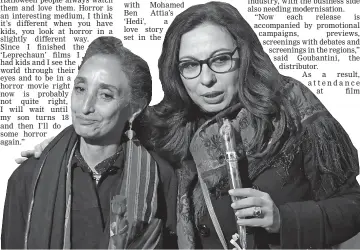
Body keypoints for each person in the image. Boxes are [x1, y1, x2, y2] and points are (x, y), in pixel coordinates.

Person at [14, 2, 360, 249]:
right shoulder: (168, 123)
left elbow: (353, 206)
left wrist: (282, 218)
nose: (206, 79)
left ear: (245, 54)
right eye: (190, 65)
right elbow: (105, 120)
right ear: (175, 72)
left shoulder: (290, 106)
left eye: (220, 60)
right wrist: (58, 145)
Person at [1, 36, 177, 249]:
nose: (85, 107)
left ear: (134, 109)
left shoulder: (161, 176)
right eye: (80, 89)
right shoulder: (28, 177)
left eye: (105, 95)